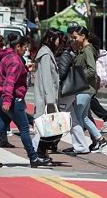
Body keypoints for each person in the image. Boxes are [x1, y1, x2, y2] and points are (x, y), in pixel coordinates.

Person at [0, 34, 52, 168]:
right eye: (24, 47)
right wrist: (8, 101)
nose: (26, 50)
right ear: (18, 46)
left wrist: (24, 69)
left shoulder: (6, 56)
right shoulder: (14, 60)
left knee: (0, 128)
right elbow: (9, 81)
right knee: (24, 128)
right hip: (12, 98)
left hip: (0, 97)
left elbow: (9, 75)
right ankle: (33, 157)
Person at [62, 26, 107, 156]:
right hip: (84, 88)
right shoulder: (83, 50)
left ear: (83, 36)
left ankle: (80, 145)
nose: (73, 40)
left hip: (85, 88)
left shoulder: (88, 50)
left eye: (75, 37)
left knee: (76, 117)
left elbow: (92, 70)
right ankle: (100, 139)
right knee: (83, 116)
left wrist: (78, 76)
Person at [31, 30, 63, 158]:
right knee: (43, 127)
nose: (58, 42)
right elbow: (46, 78)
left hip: (46, 97)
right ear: (51, 39)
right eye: (57, 39)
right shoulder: (45, 54)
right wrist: (50, 100)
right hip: (45, 98)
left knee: (44, 127)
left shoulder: (46, 53)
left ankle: (39, 153)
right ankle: (36, 153)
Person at [88, 35, 107, 134]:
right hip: (96, 79)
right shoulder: (99, 53)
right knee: (88, 100)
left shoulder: (93, 54)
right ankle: (105, 118)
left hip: (94, 79)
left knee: (89, 99)